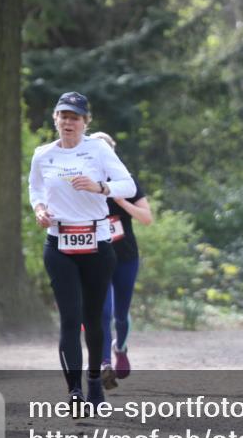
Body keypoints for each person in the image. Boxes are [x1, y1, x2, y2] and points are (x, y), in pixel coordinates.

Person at [28, 92, 136, 411]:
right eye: (63, 116)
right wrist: (39, 209)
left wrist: (100, 188)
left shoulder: (99, 150)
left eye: (75, 117)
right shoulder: (42, 154)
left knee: (94, 318)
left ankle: (94, 384)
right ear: (55, 119)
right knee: (70, 320)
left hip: (96, 242)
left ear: (86, 122)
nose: (68, 122)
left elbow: (128, 185)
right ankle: (74, 392)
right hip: (58, 243)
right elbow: (35, 188)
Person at [89, 132, 152, 389]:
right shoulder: (85, 182)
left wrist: (120, 200)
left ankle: (120, 347)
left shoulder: (127, 181)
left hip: (125, 255)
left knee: (120, 315)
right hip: (95, 256)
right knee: (102, 312)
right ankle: (104, 363)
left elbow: (147, 217)